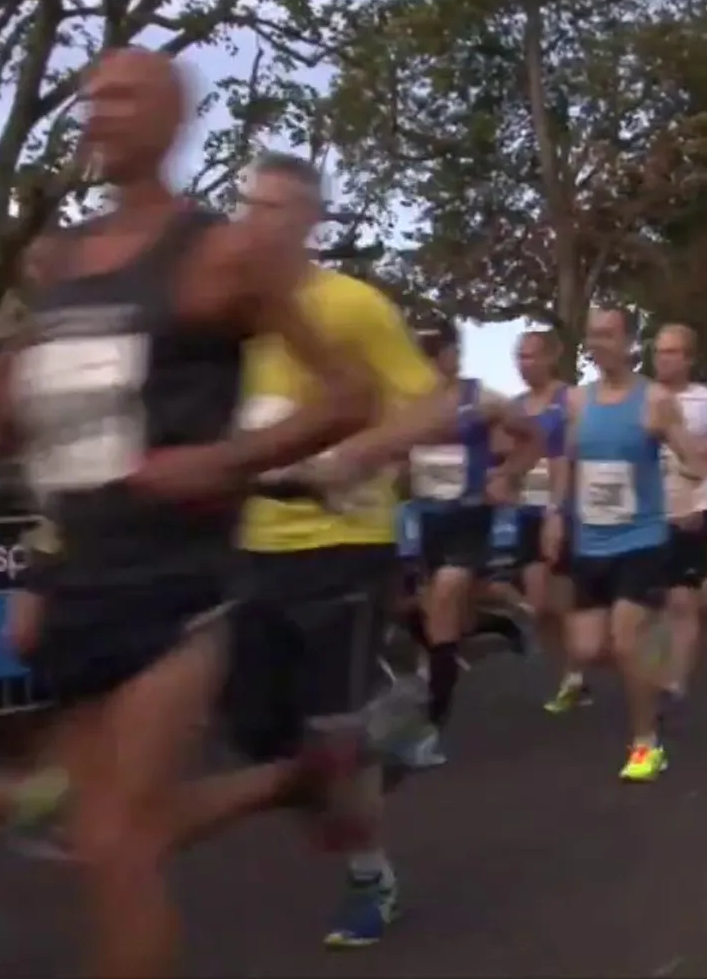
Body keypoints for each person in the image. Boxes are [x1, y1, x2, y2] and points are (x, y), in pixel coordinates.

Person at [0, 49, 389, 979]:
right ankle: (295, 777)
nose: (98, 111)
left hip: (180, 584)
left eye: (122, 95)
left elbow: (351, 395)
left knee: (121, 846)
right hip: (79, 584)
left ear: (173, 117)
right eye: (90, 97)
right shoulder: (63, 262)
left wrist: (225, 459)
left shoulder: (223, 253)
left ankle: (295, 777)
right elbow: (13, 424)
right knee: (98, 831)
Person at [207, 151, 456, 947]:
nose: (258, 221)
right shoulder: (228, 317)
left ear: (312, 221)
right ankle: (389, 721)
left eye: (278, 207)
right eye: (250, 205)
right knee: (255, 733)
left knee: (331, 737)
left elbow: (435, 408)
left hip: (343, 541)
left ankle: (368, 874)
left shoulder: (351, 305)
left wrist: (353, 455)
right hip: (251, 546)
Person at [544, 307, 707, 781]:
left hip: (642, 538)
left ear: (629, 343)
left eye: (607, 335)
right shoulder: (577, 400)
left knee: (625, 639)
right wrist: (555, 514)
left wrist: (692, 480)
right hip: (591, 541)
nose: (598, 343)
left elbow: (694, 459)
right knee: (588, 647)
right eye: (592, 335)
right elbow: (567, 462)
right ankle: (655, 653)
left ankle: (645, 744)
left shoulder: (654, 399)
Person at [404, 322, 538, 766]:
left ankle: (430, 729)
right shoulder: (405, 401)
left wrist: (507, 475)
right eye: (419, 353)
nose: (425, 362)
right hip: (424, 519)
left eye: (433, 352)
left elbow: (533, 438)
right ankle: (495, 627)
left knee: (444, 600)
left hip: (469, 517)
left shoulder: (483, 400)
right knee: (434, 618)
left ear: (453, 354)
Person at [652, 324, 707, 709]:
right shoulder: (644, 398)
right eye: (659, 351)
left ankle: (674, 684)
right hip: (644, 514)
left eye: (672, 352)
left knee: (680, 601)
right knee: (653, 603)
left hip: (692, 510)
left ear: (689, 358)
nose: (663, 359)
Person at [512, 331, 587, 715]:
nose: (524, 365)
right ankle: (571, 672)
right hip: (526, 511)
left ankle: (575, 675)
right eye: (519, 357)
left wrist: (560, 508)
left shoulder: (569, 400)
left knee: (561, 602)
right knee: (538, 606)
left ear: (550, 358)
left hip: (564, 512)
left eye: (530, 356)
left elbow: (576, 456)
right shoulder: (514, 407)